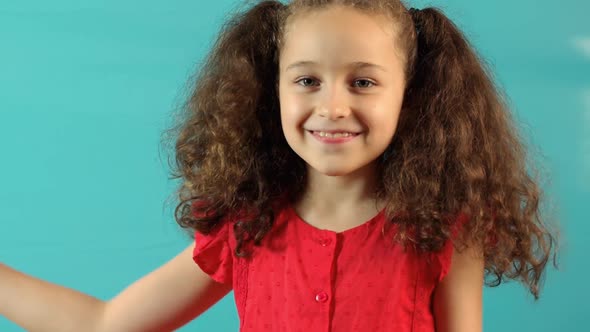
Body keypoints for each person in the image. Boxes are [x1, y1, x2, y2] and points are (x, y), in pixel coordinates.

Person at [0, 0, 559, 331]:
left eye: (363, 81)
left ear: (412, 96)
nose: (333, 106)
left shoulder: (443, 228)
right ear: (271, 92)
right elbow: (106, 324)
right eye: (307, 80)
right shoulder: (245, 227)